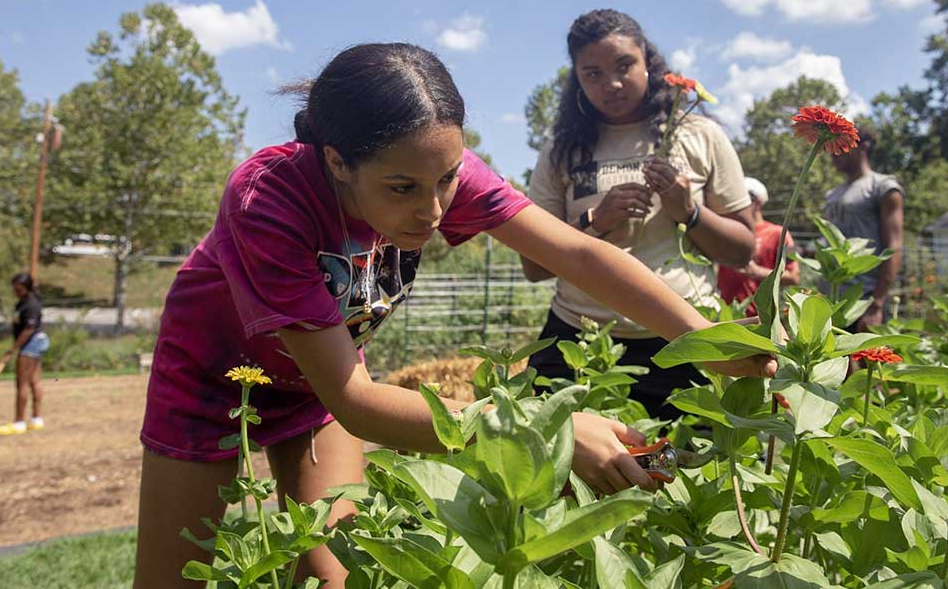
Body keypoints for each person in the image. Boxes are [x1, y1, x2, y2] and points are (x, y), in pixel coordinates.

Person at [133, 42, 776, 589]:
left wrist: (704, 339)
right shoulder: (268, 199)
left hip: (315, 385)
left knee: (338, 575)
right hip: (214, 385)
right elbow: (355, 399)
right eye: (404, 189)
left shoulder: (429, 165)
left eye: (446, 180)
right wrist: (544, 435)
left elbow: (578, 252)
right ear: (336, 161)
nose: (434, 209)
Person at [520, 10, 758, 420]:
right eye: (592, 73)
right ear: (576, 78)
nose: (611, 84)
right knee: (556, 469)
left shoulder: (699, 134)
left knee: (683, 472)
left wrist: (690, 212)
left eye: (624, 65)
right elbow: (533, 267)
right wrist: (595, 221)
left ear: (648, 61)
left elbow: (743, 249)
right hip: (580, 340)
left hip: (683, 336)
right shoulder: (560, 150)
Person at [824, 123, 904, 328]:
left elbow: (893, 247)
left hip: (864, 300)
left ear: (863, 146)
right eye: (831, 146)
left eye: (841, 144)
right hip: (830, 300)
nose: (834, 151)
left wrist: (877, 303)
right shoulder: (832, 195)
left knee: (869, 360)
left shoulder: (883, 187)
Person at [717, 177, 800, 311]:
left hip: (759, 320)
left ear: (757, 203)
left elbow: (794, 278)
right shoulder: (727, 232)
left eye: (741, 199)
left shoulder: (779, 233)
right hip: (727, 318)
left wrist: (757, 272)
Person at [0, 272, 49, 435]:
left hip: (31, 343)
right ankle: (36, 419)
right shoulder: (24, 302)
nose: (15, 292)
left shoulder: (31, 304)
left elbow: (29, 329)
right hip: (35, 341)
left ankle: (19, 423)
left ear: (26, 288)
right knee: (34, 381)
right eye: (14, 289)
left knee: (22, 383)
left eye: (18, 289)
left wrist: (13, 349)